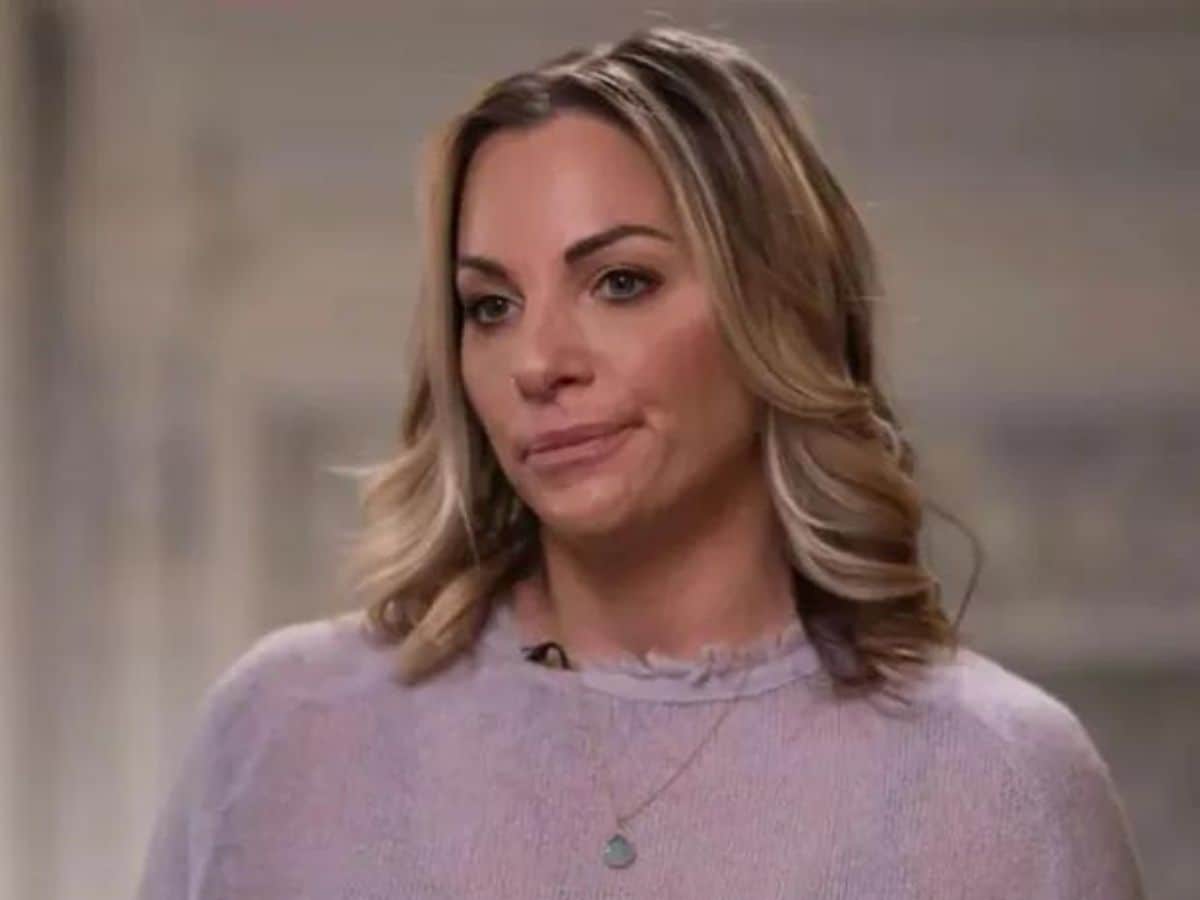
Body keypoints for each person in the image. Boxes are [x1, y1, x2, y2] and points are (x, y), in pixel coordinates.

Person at [135, 25, 1146, 899]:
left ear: (774, 307)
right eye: (491, 306)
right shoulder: (284, 731)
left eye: (620, 282)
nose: (538, 363)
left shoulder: (998, 777)